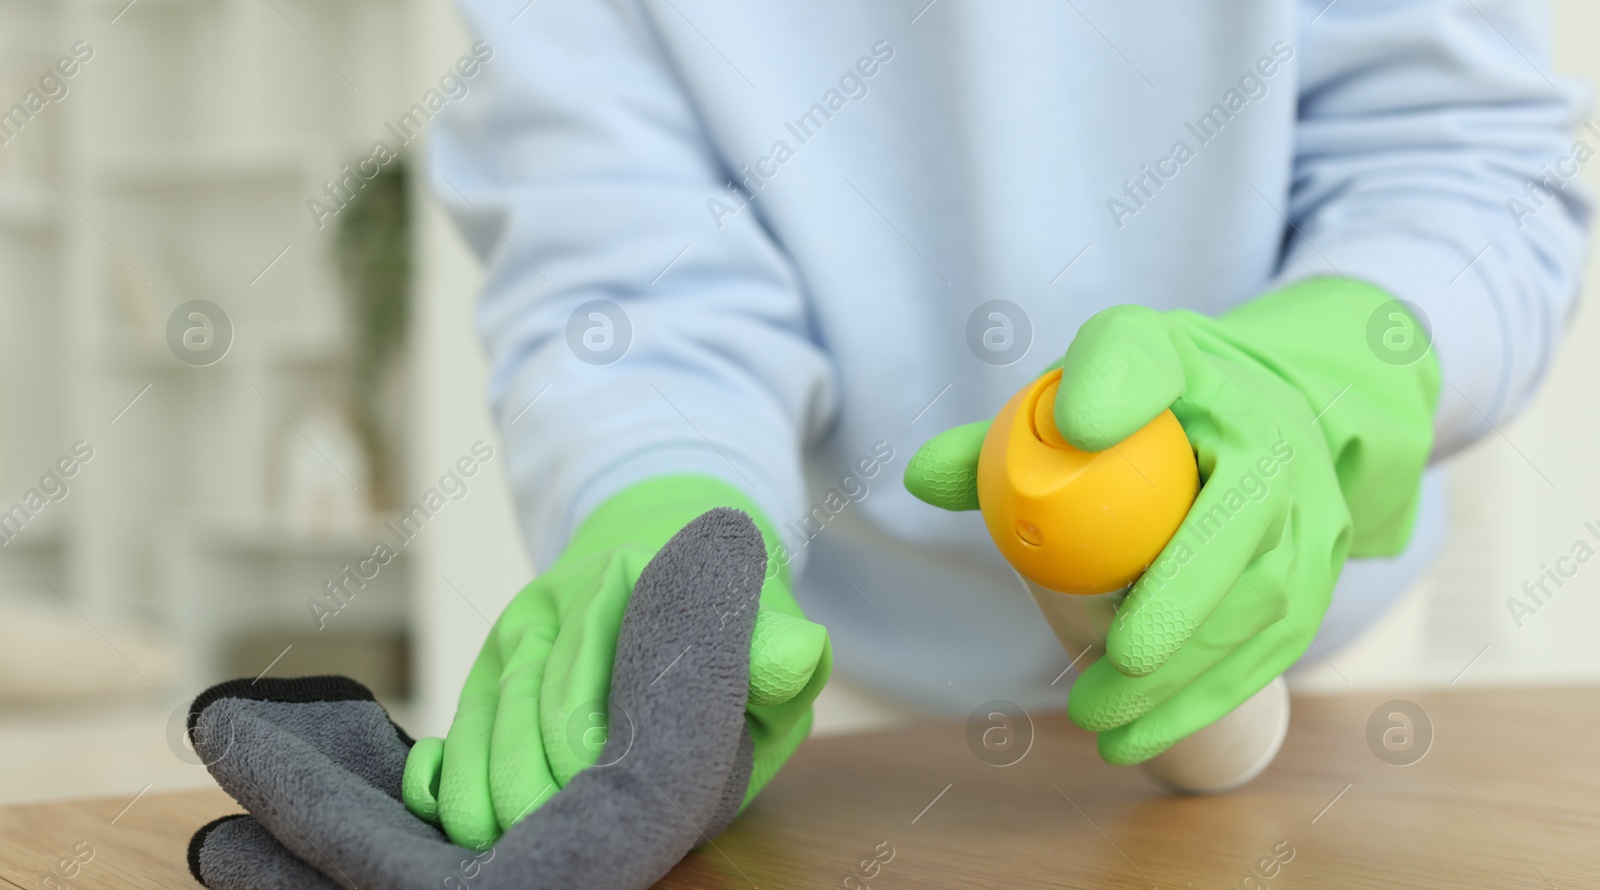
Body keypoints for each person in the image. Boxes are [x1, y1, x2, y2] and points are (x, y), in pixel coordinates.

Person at [406, 1, 1590, 846]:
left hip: (1301, 612)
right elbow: (634, 273)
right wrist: (659, 495)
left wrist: (1319, 376)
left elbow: (1460, 154)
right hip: (831, 697)